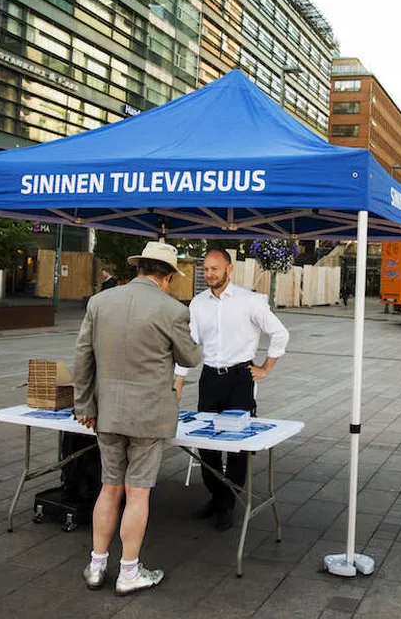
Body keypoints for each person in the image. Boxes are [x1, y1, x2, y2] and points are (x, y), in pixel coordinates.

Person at [73, 242, 201, 594]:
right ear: (168, 277)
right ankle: (129, 571)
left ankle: (97, 565)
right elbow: (190, 359)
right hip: (149, 416)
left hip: (107, 412)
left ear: (139, 268)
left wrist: (84, 405)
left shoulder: (100, 302)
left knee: (109, 487)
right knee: (137, 492)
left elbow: (83, 357)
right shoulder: (173, 310)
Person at [184, 248, 289, 531]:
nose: (209, 274)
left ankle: (227, 503)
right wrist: (178, 380)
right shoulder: (197, 304)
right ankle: (218, 497)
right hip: (209, 378)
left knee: (237, 446)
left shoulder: (250, 301)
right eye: (205, 269)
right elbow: (189, 345)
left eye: (214, 269)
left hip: (239, 379)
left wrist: (266, 368)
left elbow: (280, 333)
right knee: (206, 444)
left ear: (229, 269)